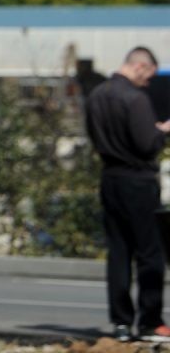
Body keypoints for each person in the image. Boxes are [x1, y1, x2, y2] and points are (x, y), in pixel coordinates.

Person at [87, 47, 170, 342]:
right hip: (139, 180)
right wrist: (162, 131)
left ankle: (121, 323)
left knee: (118, 252)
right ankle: (150, 321)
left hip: (110, 178)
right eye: (147, 76)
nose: (147, 83)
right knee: (150, 252)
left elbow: (95, 137)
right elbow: (147, 145)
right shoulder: (135, 99)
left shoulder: (96, 96)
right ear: (139, 66)